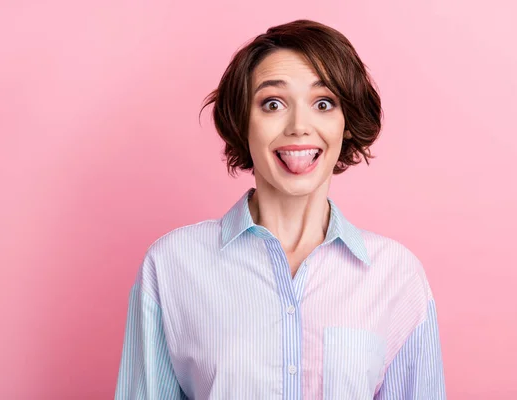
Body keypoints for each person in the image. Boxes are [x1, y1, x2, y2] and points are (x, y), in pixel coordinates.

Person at [115, 19, 446, 400]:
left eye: (324, 103)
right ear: (243, 122)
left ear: (347, 124)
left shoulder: (396, 276)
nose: (299, 126)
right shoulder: (172, 265)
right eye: (273, 104)